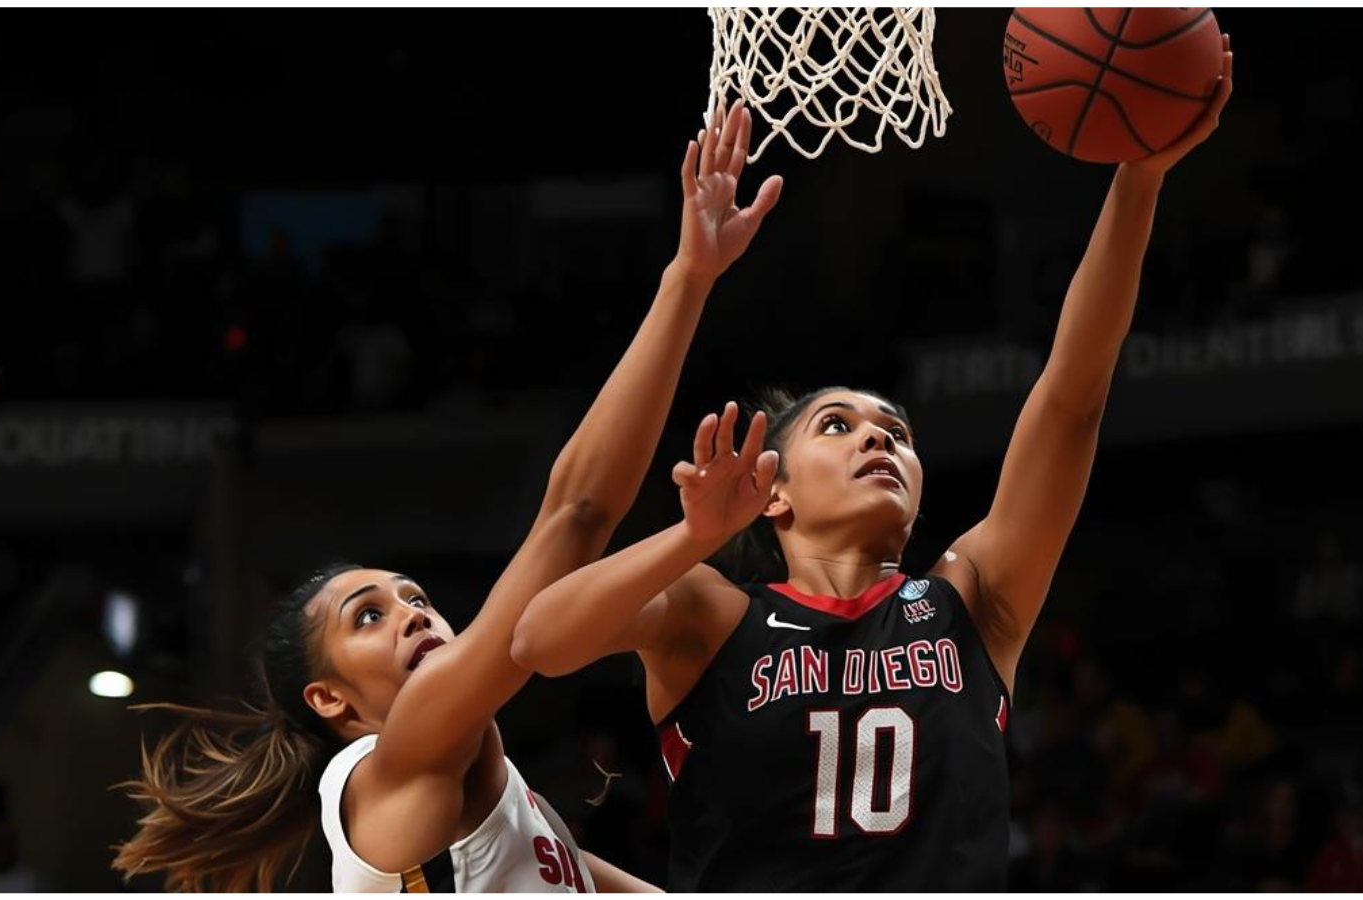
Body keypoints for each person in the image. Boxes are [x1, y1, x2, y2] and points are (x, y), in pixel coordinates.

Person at [513, 40, 1234, 891]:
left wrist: (1137, 180)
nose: (879, 439)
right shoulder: (709, 616)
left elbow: (1072, 399)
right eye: (838, 425)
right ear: (772, 491)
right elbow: (537, 641)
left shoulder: (973, 597)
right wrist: (691, 536)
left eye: (896, 431)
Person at [112, 101, 782, 892]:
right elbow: (576, 516)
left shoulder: (507, 807)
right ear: (329, 697)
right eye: (368, 616)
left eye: (413, 597)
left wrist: (692, 277)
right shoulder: (381, 772)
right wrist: (686, 281)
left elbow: (582, 511)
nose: (412, 612)